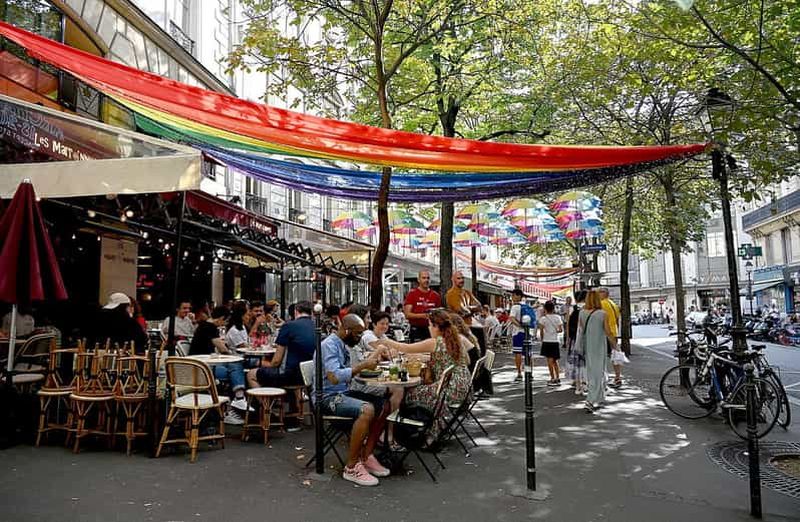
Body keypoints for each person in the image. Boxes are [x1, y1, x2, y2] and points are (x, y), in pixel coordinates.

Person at [315, 314, 390, 486]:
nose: (359, 338)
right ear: (347, 330)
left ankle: (366, 456)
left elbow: (347, 372)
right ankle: (351, 466)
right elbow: (333, 377)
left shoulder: (343, 344)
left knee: (385, 404)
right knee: (367, 409)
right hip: (326, 397)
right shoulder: (329, 345)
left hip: (343, 392)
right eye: (357, 334)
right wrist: (363, 366)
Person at [378, 310, 471, 440]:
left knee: (406, 393)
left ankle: (397, 431)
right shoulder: (454, 339)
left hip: (447, 391)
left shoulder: (435, 342)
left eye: (429, 325)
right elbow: (455, 359)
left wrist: (385, 341)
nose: (428, 328)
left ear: (436, 326)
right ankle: (411, 428)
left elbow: (405, 347)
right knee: (412, 389)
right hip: (463, 386)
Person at [247, 301, 315, 431]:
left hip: (290, 376)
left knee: (251, 374)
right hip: (308, 375)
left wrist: (260, 363)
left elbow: (276, 362)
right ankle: (290, 413)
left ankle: (268, 408)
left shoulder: (289, 326)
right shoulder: (315, 326)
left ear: (295, 311)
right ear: (311, 312)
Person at [350, 311, 404, 446]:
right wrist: (380, 351)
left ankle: (389, 430)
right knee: (398, 389)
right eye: (367, 319)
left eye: (387, 323)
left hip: (370, 376)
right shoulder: (366, 337)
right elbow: (382, 355)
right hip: (357, 383)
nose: (385, 326)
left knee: (401, 388)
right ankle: (388, 432)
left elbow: (392, 353)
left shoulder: (374, 336)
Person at [189, 305, 248, 424]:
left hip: (199, 365)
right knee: (235, 364)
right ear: (220, 318)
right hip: (204, 368)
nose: (224, 324)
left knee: (233, 368)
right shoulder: (210, 327)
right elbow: (222, 349)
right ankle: (237, 400)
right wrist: (232, 353)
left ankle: (234, 402)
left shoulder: (204, 326)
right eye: (225, 321)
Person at [578, 291, 614, 412]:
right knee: (598, 372)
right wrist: (615, 345)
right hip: (599, 346)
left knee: (592, 372)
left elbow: (582, 330)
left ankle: (597, 397)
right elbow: (608, 332)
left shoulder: (582, 313)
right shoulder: (602, 314)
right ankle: (591, 400)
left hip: (588, 346)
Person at [403, 270, 441, 342]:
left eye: (428, 278)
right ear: (418, 279)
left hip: (431, 329)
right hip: (417, 329)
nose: (426, 280)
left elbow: (439, 313)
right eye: (424, 278)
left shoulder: (435, 295)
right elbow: (407, 314)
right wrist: (423, 315)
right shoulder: (412, 294)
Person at [598, 287, 622, 388]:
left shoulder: (602, 304)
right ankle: (617, 377)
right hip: (614, 332)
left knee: (601, 355)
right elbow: (617, 319)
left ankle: (602, 378)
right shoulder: (613, 304)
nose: (598, 294)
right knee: (615, 354)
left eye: (599, 292)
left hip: (605, 332)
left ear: (604, 294)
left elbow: (600, 319)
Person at [565, 291, 587, 394]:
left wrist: (568, 339)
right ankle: (584, 383)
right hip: (586, 338)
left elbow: (568, 324)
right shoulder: (588, 308)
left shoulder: (572, 309)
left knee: (576, 362)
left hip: (575, 338)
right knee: (585, 362)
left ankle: (577, 384)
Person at [538, 300, 563, 386]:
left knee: (549, 360)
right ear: (553, 308)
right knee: (555, 360)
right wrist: (556, 330)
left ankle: (552, 377)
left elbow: (541, 331)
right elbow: (560, 330)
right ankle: (558, 377)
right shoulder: (558, 317)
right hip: (555, 341)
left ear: (545, 308)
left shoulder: (543, 319)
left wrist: (541, 340)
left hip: (547, 340)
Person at [508, 289, 527, 382]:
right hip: (527, 333)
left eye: (513, 295)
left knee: (518, 353)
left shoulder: (515, 307)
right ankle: (529, 372)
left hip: (517, 332)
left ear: (517, 296)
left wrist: (519, 325)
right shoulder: (526, 305)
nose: (512, 297)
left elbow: (511, 318)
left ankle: (519, 373)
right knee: (528, 353)